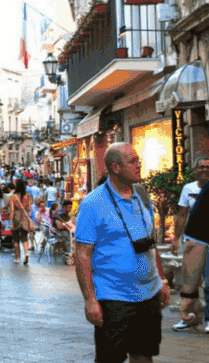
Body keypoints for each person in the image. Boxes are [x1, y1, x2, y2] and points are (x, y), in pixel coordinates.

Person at [74, 143, 170, 363]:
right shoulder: (93, 204)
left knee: (144, 355)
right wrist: (90, 300)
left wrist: (162, 279)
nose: (139, 164)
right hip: (113, 297)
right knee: (111, 358)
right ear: (116, 167)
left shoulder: (142, 196)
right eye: (133, 161)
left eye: (138, 159)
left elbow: (149, 243)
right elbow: (82, 254)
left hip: (148, 294)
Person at [172, 157, 209, 333]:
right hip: (196, 240)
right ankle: (194, 317)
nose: (204, 169)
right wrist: (175, 238)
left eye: (207, 167)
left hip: (199, 241)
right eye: (201, 167)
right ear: (194, 170)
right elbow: (182, 214)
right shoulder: (190, 189)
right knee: (198, 279)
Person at [9, 178, 34, 265]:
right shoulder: (27, 196)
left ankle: (17, 258)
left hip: (16, 217)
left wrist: (11, 222)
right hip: (25, 218)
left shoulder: (13, 196)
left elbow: (12, 210)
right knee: (24, 238)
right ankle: (26, 253)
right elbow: (29, 208)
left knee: (16, 239)